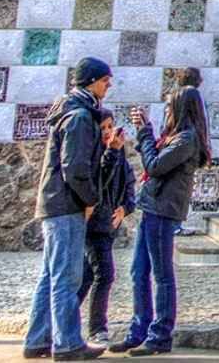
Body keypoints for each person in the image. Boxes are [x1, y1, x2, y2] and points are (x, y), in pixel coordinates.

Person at [24, 57, 111, 361]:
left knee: (50, 275)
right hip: (66, 205)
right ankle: (67, 343)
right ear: (91, 81)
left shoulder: (71, 111)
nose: (108, 86)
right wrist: (90, 200)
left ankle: (38, 339)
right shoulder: (79, 116)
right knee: (67, 278)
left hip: (55, 203)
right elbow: (74, 167)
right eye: (105, 81)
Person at [123, 78, 208, 357]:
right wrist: (147, 133)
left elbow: (155, 166)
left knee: (162, 274)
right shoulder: (175, 136)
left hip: (163, 210)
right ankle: (139, 330)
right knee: (139, 271)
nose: (167, 111)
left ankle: (160, 334)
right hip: (153, 207)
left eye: (170, 107)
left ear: (181, 109)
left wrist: (144, 133)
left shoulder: (187, 139)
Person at [77, 109, 133, 350]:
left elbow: (129, 188)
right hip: (94, 225)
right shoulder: (94, 155)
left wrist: (124, 209)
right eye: (103, 128)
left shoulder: (120, 157)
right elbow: (101, 181)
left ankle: (61, 322)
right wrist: (111, 152)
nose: (108, 132)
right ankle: (97, 329)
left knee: (87, 277)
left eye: (111, 126)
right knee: (105, 274)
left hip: (108, 225)